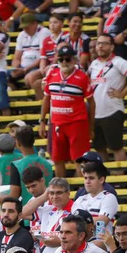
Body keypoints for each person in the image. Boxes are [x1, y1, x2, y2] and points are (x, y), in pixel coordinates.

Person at [39, 46, 94, 178]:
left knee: (79, 159)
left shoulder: (82, 77)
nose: (64, 62)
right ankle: (61, 188)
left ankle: (83, 192)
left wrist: (91, 126)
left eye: (67, 59)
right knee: (57, 158)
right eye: (61, 59)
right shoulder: (52, 75)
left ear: (74, 60)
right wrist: (42, 121)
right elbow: (46, 99)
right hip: (57, 122)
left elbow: (91, 102)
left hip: (76, 123)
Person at [88, 34, 127, 163]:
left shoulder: (119, 62)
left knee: (116, 147)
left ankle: (119, 179)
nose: (100, 46)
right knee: (99, 148)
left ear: (111, 47)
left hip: (112, 111)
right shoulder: (94, 64)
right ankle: (102, 177)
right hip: (95, 113)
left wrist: (122, 93)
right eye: (98, 43)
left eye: (104, 43)